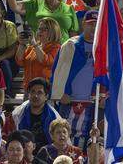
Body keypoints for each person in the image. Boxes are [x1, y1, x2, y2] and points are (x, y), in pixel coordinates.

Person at [49, 11, 99, 148]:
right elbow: (57, 71)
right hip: (70, 100)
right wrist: (60, 93)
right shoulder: (71, 44)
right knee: (64, 136)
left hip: (92, 101)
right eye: (90, 24)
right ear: (83, 24)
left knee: (89, 137)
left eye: (96, 24)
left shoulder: (103, 46)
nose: (93, 27)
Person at [6, 0, 79, 43]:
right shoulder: (34, 3)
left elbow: (73, 36)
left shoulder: (69, 8)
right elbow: (15, 7)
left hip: (61, 52)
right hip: (39, 50)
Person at [6, 78, 61, 150]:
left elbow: (62, 143)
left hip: (47, 156)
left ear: (46, 97)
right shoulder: (17, 114)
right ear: (28, 94)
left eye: (39, 92)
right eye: (33, 92)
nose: (35, 96)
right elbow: (7, 137)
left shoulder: (55, 117)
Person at [15, 17, 62, 88]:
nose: (40, 31)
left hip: (45, 89)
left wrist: (35, 44)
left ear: (53, 31)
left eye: (44, 29)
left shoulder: (56, 47)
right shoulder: (32, 47)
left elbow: (46, 61)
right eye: (39, 29)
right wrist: (21, 44)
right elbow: (20, 61)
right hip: (29, 88)